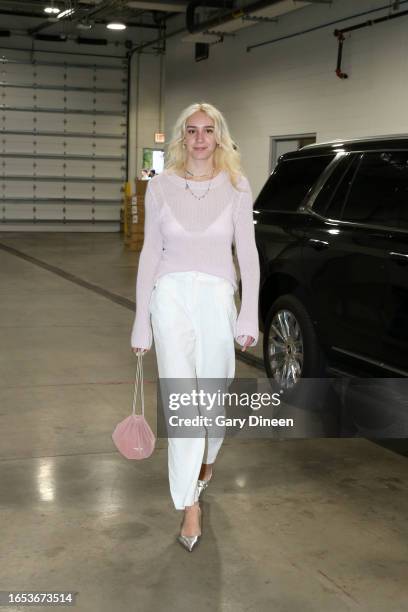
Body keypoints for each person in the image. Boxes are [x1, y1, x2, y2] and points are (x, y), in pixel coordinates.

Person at [131, 102, 260, 551]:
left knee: (215, 393)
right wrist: (140, 321)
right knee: (183, 397)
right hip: (170, 298)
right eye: (192, 131)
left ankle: (206, 461)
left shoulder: (238, 186)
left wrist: (249, 313)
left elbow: (248, 253)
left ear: (219, 136)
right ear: (182, 137)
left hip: (217, 298)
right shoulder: (161, 186)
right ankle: (189, 504)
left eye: (208, 130)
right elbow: (150, 253)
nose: (200, 138)